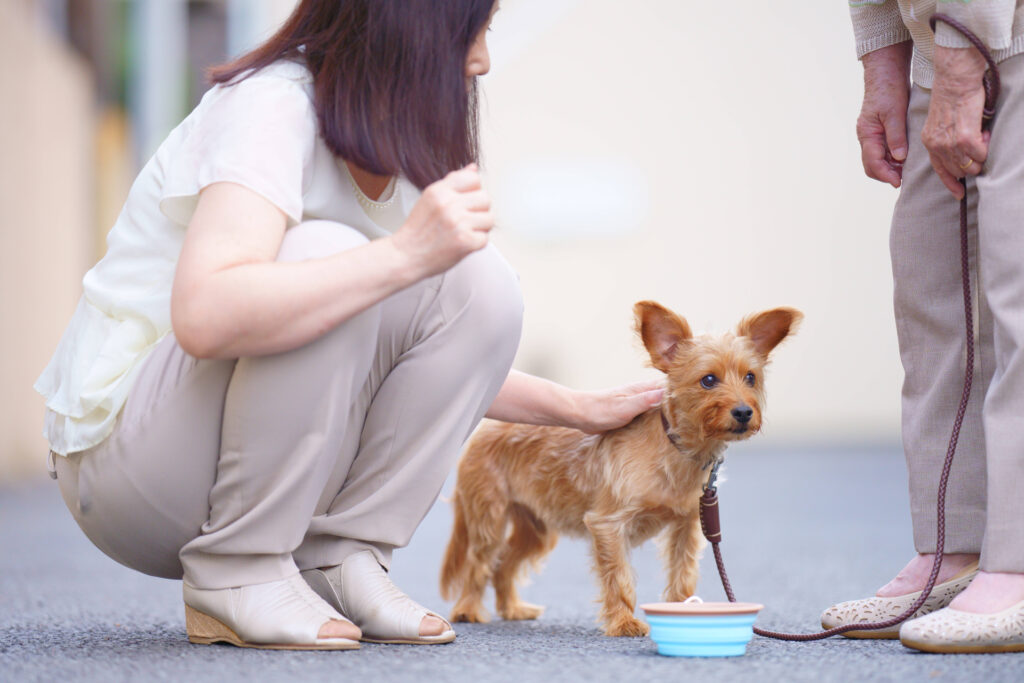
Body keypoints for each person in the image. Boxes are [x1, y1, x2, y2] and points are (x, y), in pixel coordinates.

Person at [34, 0, 665, 651]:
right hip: (130, 468)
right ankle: (239, 567)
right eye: (472, 32)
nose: (481, 59)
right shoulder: (271, 106)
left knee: (483, 285)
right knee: (335, 258)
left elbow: (426, 347)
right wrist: (398, 256)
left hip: (229, 465)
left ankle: (341, 557)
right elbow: (205, 314)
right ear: (406, 30)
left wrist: (579, 409)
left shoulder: (395, 152)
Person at [822, 2, 1024, 653]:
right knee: (931, 291)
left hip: (1000, 34)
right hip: (938, 45)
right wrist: (885, 62)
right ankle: (958, 545)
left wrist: (964, 65)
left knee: (1019, 294)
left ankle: (1016, 558)